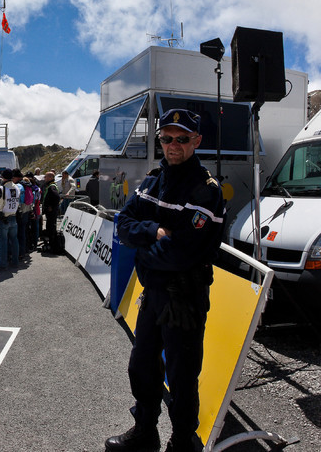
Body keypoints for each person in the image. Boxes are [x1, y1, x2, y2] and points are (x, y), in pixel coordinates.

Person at [105, 110, 225, 452]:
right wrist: (153, 231)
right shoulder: (152, 180)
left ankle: (184, 441)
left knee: (182, 375)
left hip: (184, 299)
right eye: (167, 138)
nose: (173, 146)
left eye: (182, 139)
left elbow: (182, 252)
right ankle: (145, 430)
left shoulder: (206, 191)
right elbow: (124, 222)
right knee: (142, 365)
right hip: (153, 295)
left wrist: (144, 249)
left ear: (197, 142)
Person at [0, 168, 22, 272]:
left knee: (2, 241)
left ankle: (2, 264)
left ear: (3, 178)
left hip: (3, 217)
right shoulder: (17, 188)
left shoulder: (1, 189)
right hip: (13, 216)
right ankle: (15, 262)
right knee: (14, 240)